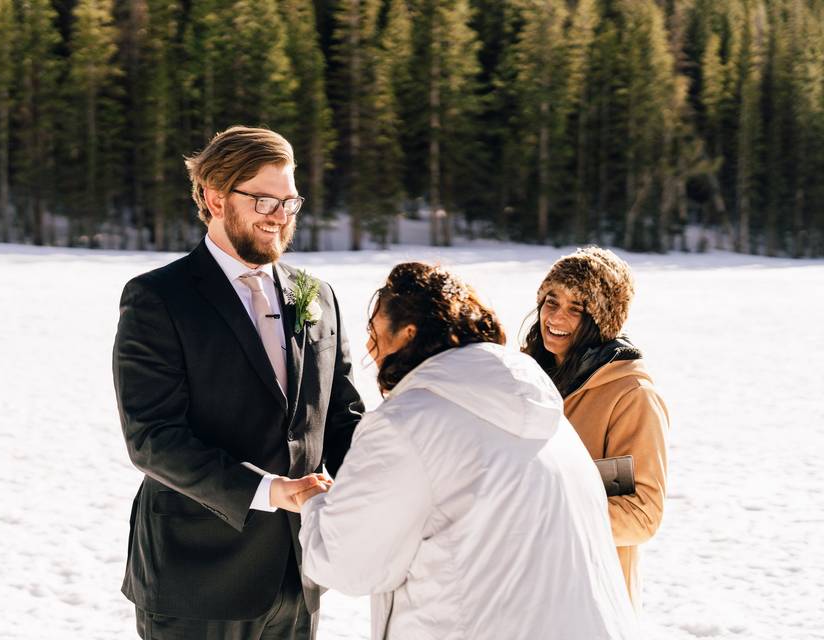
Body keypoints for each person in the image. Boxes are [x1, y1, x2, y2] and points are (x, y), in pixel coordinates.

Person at [296, 262, 639, 640]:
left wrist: (315, 504)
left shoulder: (407, 424)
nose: (368, 348)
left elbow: (347, 563)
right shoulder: (545, 412)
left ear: (408, 333)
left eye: (374, 332)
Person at [112, 126, 364, 640]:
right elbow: (153, 439)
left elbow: (340, 418)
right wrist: (270, 490)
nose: (279, 216)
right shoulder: (159, 298)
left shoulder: (317, 295)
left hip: (299, 576)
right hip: (196, 578)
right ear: (214, 197)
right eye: (264, 200)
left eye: (290, 202)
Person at [522, 246, 669, 610]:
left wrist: (543, 520)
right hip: (525, 590)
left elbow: (641, 513)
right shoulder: (526, 378)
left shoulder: (631, 396)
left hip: (591, 600)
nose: (556, 317)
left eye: (577, 309)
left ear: (601, 321)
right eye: (551, 301)